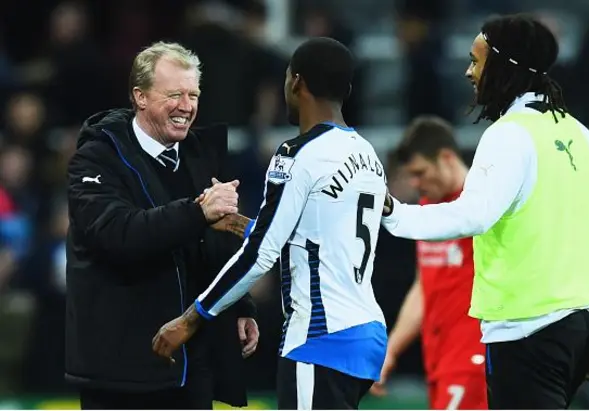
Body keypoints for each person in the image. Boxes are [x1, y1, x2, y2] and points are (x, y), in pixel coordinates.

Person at [381, 14, 589, 409]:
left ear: (503, 68)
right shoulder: (584, 137)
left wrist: (393, 213)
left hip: (528, 327)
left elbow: (473, 215)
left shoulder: (508, 135)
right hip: (581, 325)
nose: (468, 72)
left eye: (477, 61)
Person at [152, 37, 388, 410]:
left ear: (296, 82)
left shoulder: (296, 155)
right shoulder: (366, 154)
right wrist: (236, 224)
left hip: (320, 338)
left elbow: (261, 253)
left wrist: (191, 318)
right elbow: (315, 237)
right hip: (367, 334)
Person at [65, 41, 259, 410]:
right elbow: (116, 234)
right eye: (174, 95)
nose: (186, 107)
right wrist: (198, 212)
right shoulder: (96, 158)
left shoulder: (200, 154)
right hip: (121, 368)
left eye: (193, 94)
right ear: (139, 96)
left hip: (191, 364)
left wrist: (239, 304)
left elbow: (214, 241)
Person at [370, 116, 487, 409]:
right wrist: (392, 349)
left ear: (446, 158)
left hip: (476, 359)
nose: (415, 183)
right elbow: (425, 286)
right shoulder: (429, 210)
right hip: (439, 361)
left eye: (420, 172)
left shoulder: (485, 205)